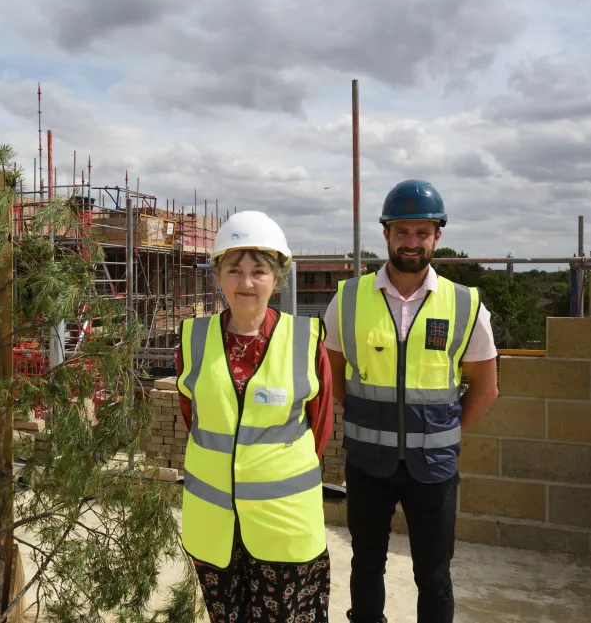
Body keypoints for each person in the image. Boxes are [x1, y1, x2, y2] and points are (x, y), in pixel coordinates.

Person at [324, 180, 500, 623]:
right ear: (385, 234)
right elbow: (332, 373)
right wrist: (365, 418)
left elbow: (486, 386)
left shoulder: (465, 305)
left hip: (434, 468)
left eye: (422, 232)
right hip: (368, 463)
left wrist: (444, 430)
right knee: (366, 564)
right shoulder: (348, 298)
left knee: (434, 575)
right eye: (402, 231)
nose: (412, 242)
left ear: (438, 236)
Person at [174, 210, 334, 623]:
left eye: (258, 271)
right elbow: (198, 418)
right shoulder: (193, 339)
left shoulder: (305, 340)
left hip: (283, 526)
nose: (246, 282)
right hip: (216, 528)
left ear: (277, 278)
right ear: (219, 276)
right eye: (235, 270)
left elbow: (319, 427)